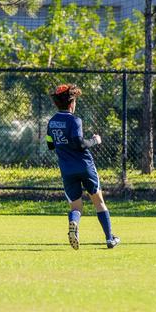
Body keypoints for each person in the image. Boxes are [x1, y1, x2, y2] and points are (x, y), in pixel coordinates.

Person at [45, 84, 119, 249]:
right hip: (85, 166)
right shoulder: (75, 120)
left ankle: (74, 225)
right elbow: (79, 143)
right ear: (72, 103)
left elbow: (50, 145)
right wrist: (95, 140)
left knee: (76, 206)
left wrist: (62, 143)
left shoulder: (52, 122)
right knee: (98, 202)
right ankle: (109, 238)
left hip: (67, 169)